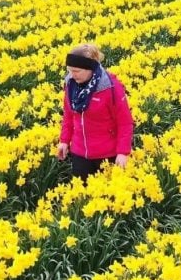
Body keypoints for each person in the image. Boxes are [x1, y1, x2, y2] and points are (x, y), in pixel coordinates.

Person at [56, 43, 133, 182]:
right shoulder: (70, 84)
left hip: (106, 154)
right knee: (82, 197)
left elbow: (125, 122)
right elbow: (68, 115)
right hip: (79, 152)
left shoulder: (110, 87)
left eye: (77, 71)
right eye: (70, 70)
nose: (72, 75)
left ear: (90, 68)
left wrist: (123, 152)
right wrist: (64, 140)